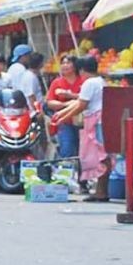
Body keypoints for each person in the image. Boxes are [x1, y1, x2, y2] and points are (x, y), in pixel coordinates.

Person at [51, 56, 108, 199]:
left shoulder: (89, 83)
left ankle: (101, 191)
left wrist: (63, 118)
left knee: (99, 156)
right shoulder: (101, 81)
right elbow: (78, 102)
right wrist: (62, 113)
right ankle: (101, 190)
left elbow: (81, 105)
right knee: (102, 155)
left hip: (96, 121)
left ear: (81, 69)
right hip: (102, 119)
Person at [46, 56, 84, 161]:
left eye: (68, 63)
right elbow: (50, 102)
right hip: (65, 122)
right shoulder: (57, 83)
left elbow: (87, 98)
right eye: (63, 63)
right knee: (67, 150)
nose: (64, 66)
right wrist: (67, 105)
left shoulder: (83, 81)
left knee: (83, 151)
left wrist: (70, 95)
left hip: (83, 122)